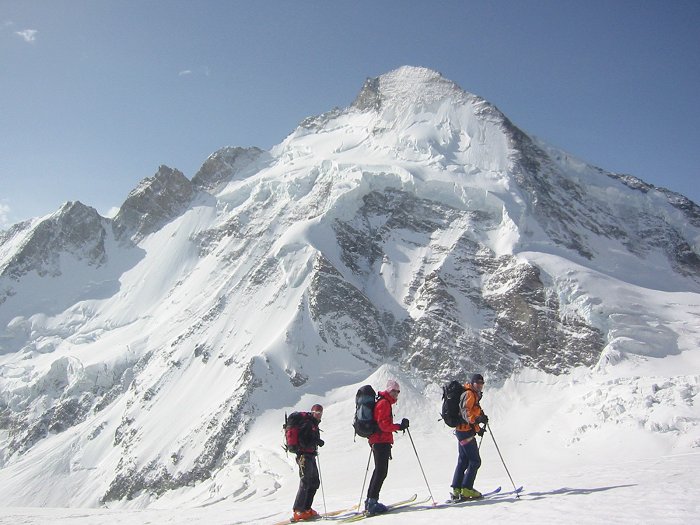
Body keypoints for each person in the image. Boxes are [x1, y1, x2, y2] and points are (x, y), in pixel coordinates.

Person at [365, 379, 409, 515]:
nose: (396, 394)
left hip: (379, 440)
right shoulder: (384, 403)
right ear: (389, 391)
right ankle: (372, 502)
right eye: (394, 391)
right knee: (381, 471)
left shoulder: (384, 402)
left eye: (398, 391)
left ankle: (370, 500)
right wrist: (399, 426)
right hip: (380, 441)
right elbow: (383, 425)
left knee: (379, 471)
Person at [451, 373, 488, 501]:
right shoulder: (469, 394)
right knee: (475, 461)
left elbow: (470, 415)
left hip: (463, 431)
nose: (480, 385)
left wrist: (478, 429)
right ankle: (466, 489)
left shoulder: (473, 394)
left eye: (482, 383)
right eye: (478, 383)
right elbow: (466, 413)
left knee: (463, 461)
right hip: (465, 432)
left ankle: (457, 489)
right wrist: (478, 419)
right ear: (472, 383)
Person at [291, 404, 325, 522]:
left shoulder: (312, 423)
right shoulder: (308, 423)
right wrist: (316, 441)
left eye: (320, 413)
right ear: (312, 412)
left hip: (309, 455)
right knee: (306, 482)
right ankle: (298, 510)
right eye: (316, 412)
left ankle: (306, 509)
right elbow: (303, 441)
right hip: (304, 456)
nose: (318, 415)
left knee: (314, 482)